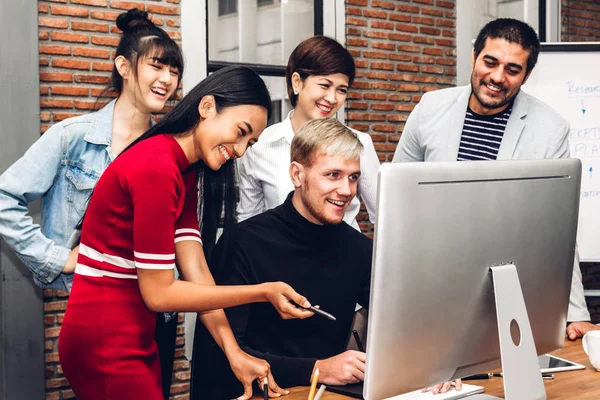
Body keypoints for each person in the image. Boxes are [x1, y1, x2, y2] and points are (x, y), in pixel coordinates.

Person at [57, 65, 315, 400]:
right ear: (207, 107)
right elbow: (160, 293)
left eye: (249, 143)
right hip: (106, 339)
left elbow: (196, 271)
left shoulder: (183, 171)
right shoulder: (158, 168)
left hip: (132, 335)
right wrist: (262, 291)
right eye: (240, 132)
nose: (239, 150)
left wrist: (234, 353)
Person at [0, 9, 187, 398]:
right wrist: (59, 258)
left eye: (174, 71)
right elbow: (5, 197)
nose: (167, 80)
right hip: (101, 317)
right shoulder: (72, 138)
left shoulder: (168, 152)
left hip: (158, 317)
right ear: (123, 65)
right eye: (157, 66)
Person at [392, 17, 598, 339]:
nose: (497, 77)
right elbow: (398, 199)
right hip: (428, 282)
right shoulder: (429, 108)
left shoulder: (551, 129)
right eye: (490, 62)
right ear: (474, 56)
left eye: (513, 69)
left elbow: (556, 228)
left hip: (506, 287)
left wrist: (574, 312)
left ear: (527, 75)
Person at [192, 118, 373, 399]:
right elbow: (221, 358)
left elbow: (397, 325)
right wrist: (317, 369)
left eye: (353, 177)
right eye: (333, 175)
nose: (347, 190)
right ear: (297, 174)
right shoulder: (243, 242)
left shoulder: (360, 249)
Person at [236, 35, 379, 231]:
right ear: (297, 82)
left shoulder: (360, 143)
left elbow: (384, 216)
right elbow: (248, 221)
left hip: (344, 257)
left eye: (341, 90)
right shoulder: (260, 145)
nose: (332, 98)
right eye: (324, 85)